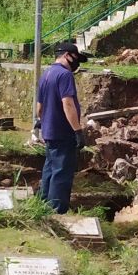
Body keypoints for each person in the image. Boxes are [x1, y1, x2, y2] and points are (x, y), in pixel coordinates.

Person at [36, 42, 90, 213]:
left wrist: (42, 121)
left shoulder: (46, 74)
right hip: (63, 131)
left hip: (49, 131)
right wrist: (77, 130)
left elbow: (39, 106)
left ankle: (43, 205)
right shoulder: (65, 75)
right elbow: (68, 103)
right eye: (76, 59)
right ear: (67, 55)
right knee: (62, 173)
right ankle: (57, 210)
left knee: (50, 169)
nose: (77, 64)